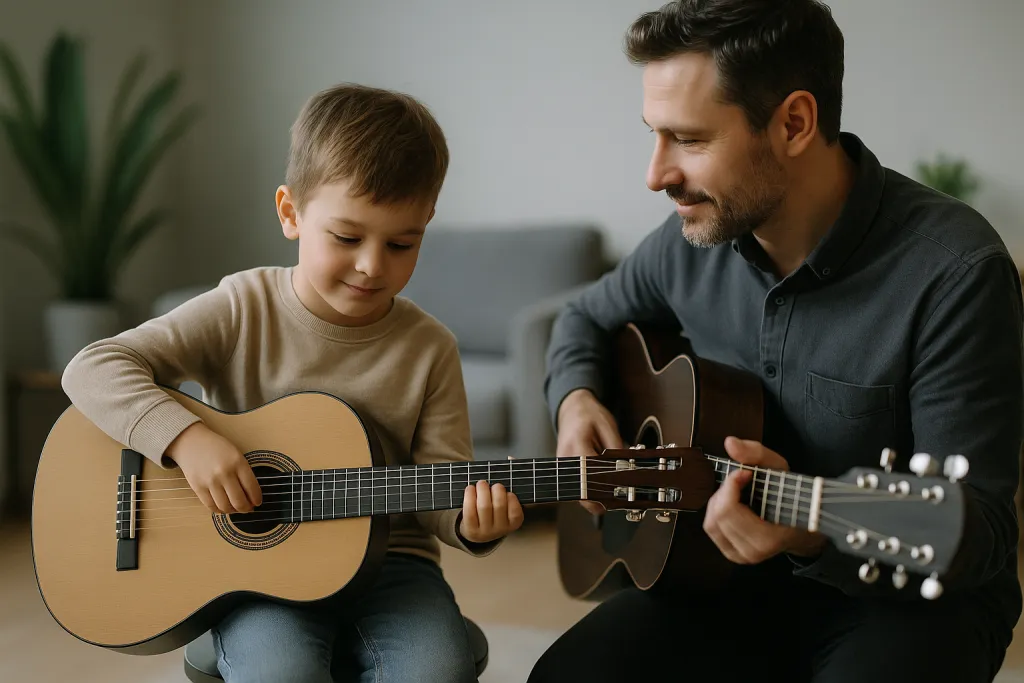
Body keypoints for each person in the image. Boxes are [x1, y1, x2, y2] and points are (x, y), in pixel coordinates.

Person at [532, 1, 1023, 682]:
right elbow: (581, 318)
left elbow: (982, 534)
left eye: (690, 139)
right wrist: (577, 401)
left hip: (908, 598)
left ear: (794, 123)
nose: (656, 173)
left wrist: (813, 530)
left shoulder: (954, 271)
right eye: (655, 134)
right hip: (723, 576)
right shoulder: (686, 246)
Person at [61, 83, 524, 683]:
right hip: (257, 575)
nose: (372, 265)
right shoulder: (241, 308)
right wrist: (186, 440)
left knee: (437, 671)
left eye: (402, 243)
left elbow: (441, 484)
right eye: (347, 237)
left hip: (393, 566)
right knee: (280, 673)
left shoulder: (430, 347)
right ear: (290, 212)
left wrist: (470, 523)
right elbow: (92, 367)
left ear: (426, 224)